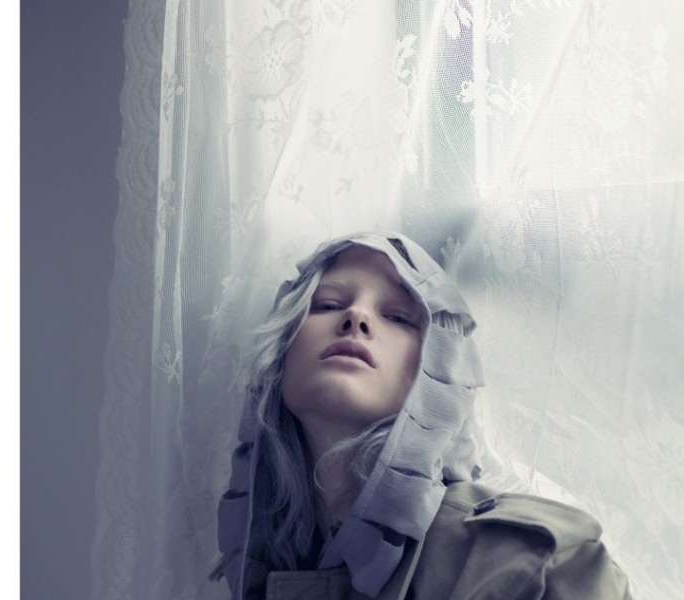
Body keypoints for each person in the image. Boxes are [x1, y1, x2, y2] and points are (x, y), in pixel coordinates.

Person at [213, 231, 630, 599]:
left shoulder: (535, 564)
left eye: (397, 317)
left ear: (440, 367)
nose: (356, 316)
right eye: (326, 305)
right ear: (280, 352)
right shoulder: (261, 563)